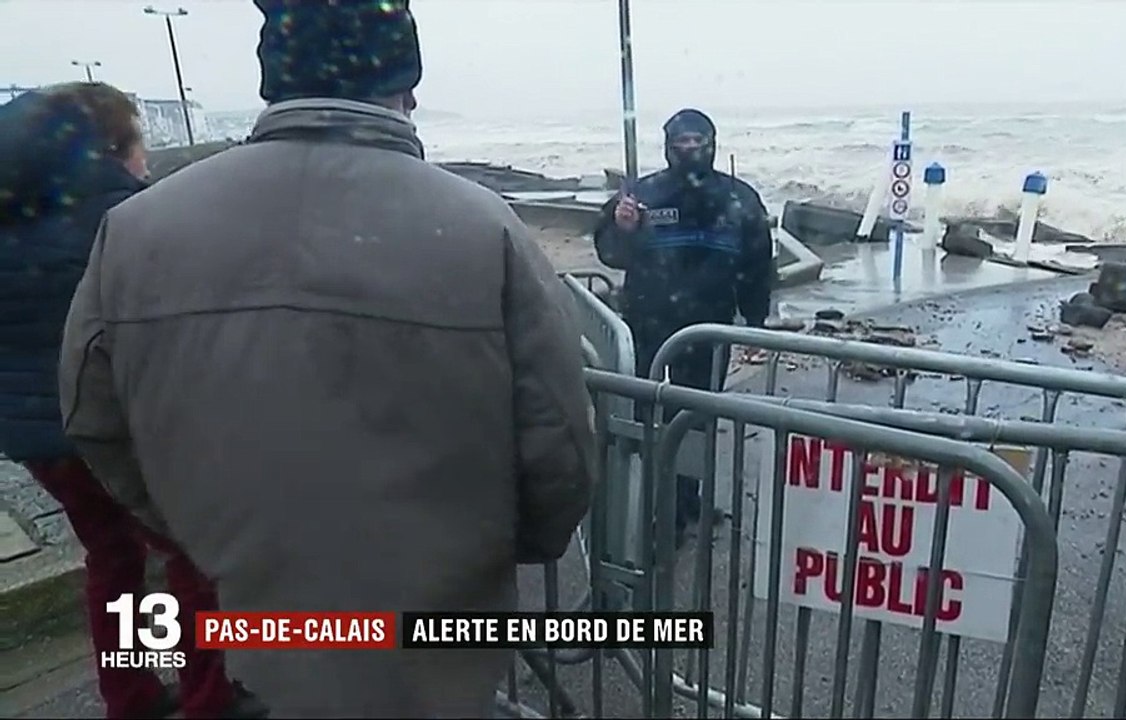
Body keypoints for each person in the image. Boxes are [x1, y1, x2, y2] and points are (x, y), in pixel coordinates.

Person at [58, 1, 596, 717]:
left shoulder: (134, 228)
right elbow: (558, 442)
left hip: (249, 610)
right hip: (432, 621)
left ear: (270, 81)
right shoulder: (483, 227)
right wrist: (504, 545)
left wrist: (197, 528)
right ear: (403, 87)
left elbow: (93, 417)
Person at [0, 83, 261, 719]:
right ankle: (209, 700)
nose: (146, 163)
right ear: (113, 150)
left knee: (112, 557)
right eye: (141, 145)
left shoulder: (11, 219)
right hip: (121, 429)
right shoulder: (130, 219)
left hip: (39, 440)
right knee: (194, 558)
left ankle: (131, 694)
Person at [593, 108, 774, 541]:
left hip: (709, 327)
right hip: (648, 321)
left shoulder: (740, 197)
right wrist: (623, 228)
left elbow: (758, 261)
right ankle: (649, 502)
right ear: (668, 145)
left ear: (713, 143)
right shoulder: (642, 195)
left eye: (699, 141)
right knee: (644, 413)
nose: (691, 149)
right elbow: (610, 253)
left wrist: (756, 321)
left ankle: (686, 502)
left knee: (697, 417)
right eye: (682, 142)